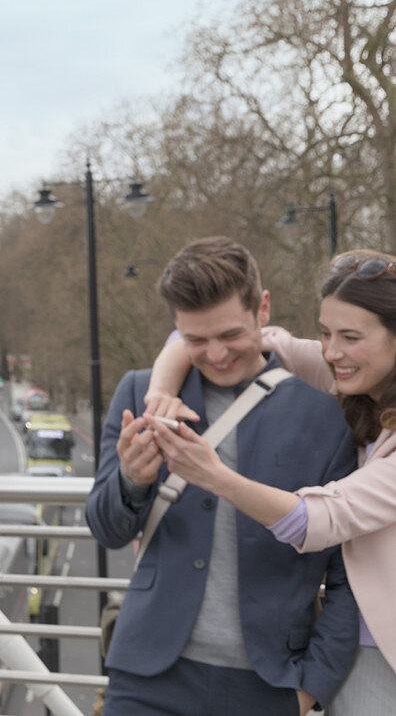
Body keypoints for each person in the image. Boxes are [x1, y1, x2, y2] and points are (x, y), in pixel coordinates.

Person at [84, 236, 359, 715]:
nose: (215, 353)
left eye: (230, 334)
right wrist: (131, 481)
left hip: (268, 684)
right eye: (194, 340)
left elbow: (349, 578)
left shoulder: (327, 418)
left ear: (263, 309)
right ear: (176, 330)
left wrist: (312, 686)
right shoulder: (138, 391)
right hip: (145, 678)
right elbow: (106, 528)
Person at [144, 249, 396, 714]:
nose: (332, 351)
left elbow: (320, 518)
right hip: (358, 637)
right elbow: (205, 336)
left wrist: (214, 477)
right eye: (324, 333)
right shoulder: (349, 372)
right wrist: (159, 392)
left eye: (350, 336)